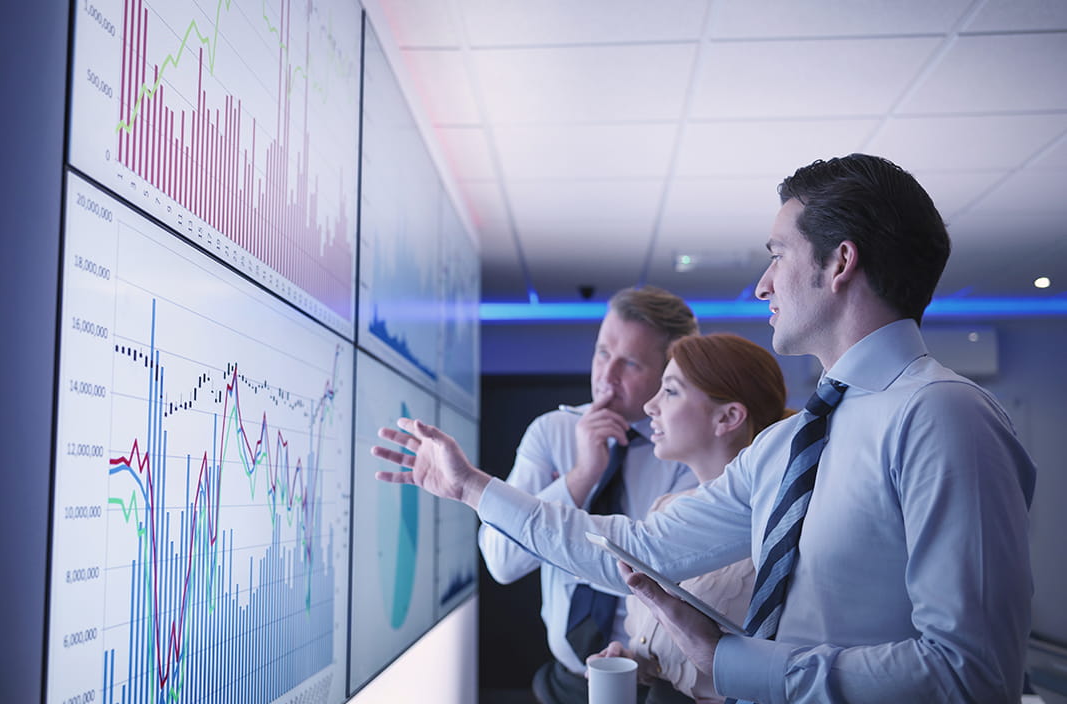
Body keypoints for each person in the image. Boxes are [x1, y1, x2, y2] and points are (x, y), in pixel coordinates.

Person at [373, 154, 1037, 703]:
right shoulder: (788, 445)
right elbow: (637, 546)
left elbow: (970, 675)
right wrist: (472, 488)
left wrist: (734, 663)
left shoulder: (944, 417)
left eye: (777, 255)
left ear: (839, 264)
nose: (761, 285)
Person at [479, 285, 701, 704]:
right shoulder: (551, 433)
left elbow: (674, 575)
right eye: (602, 352)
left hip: (657, 686)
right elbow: (501, 561)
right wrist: (581, 476)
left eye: (630, 363)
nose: (607, 375)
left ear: (670, 371)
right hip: (565, 682)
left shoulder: (689, 451)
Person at [590, 333, 793, 703]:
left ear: (728, 416)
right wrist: (636, 660)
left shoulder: (774, 531)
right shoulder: (666, 508)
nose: (650, 406)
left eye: (669, 391)